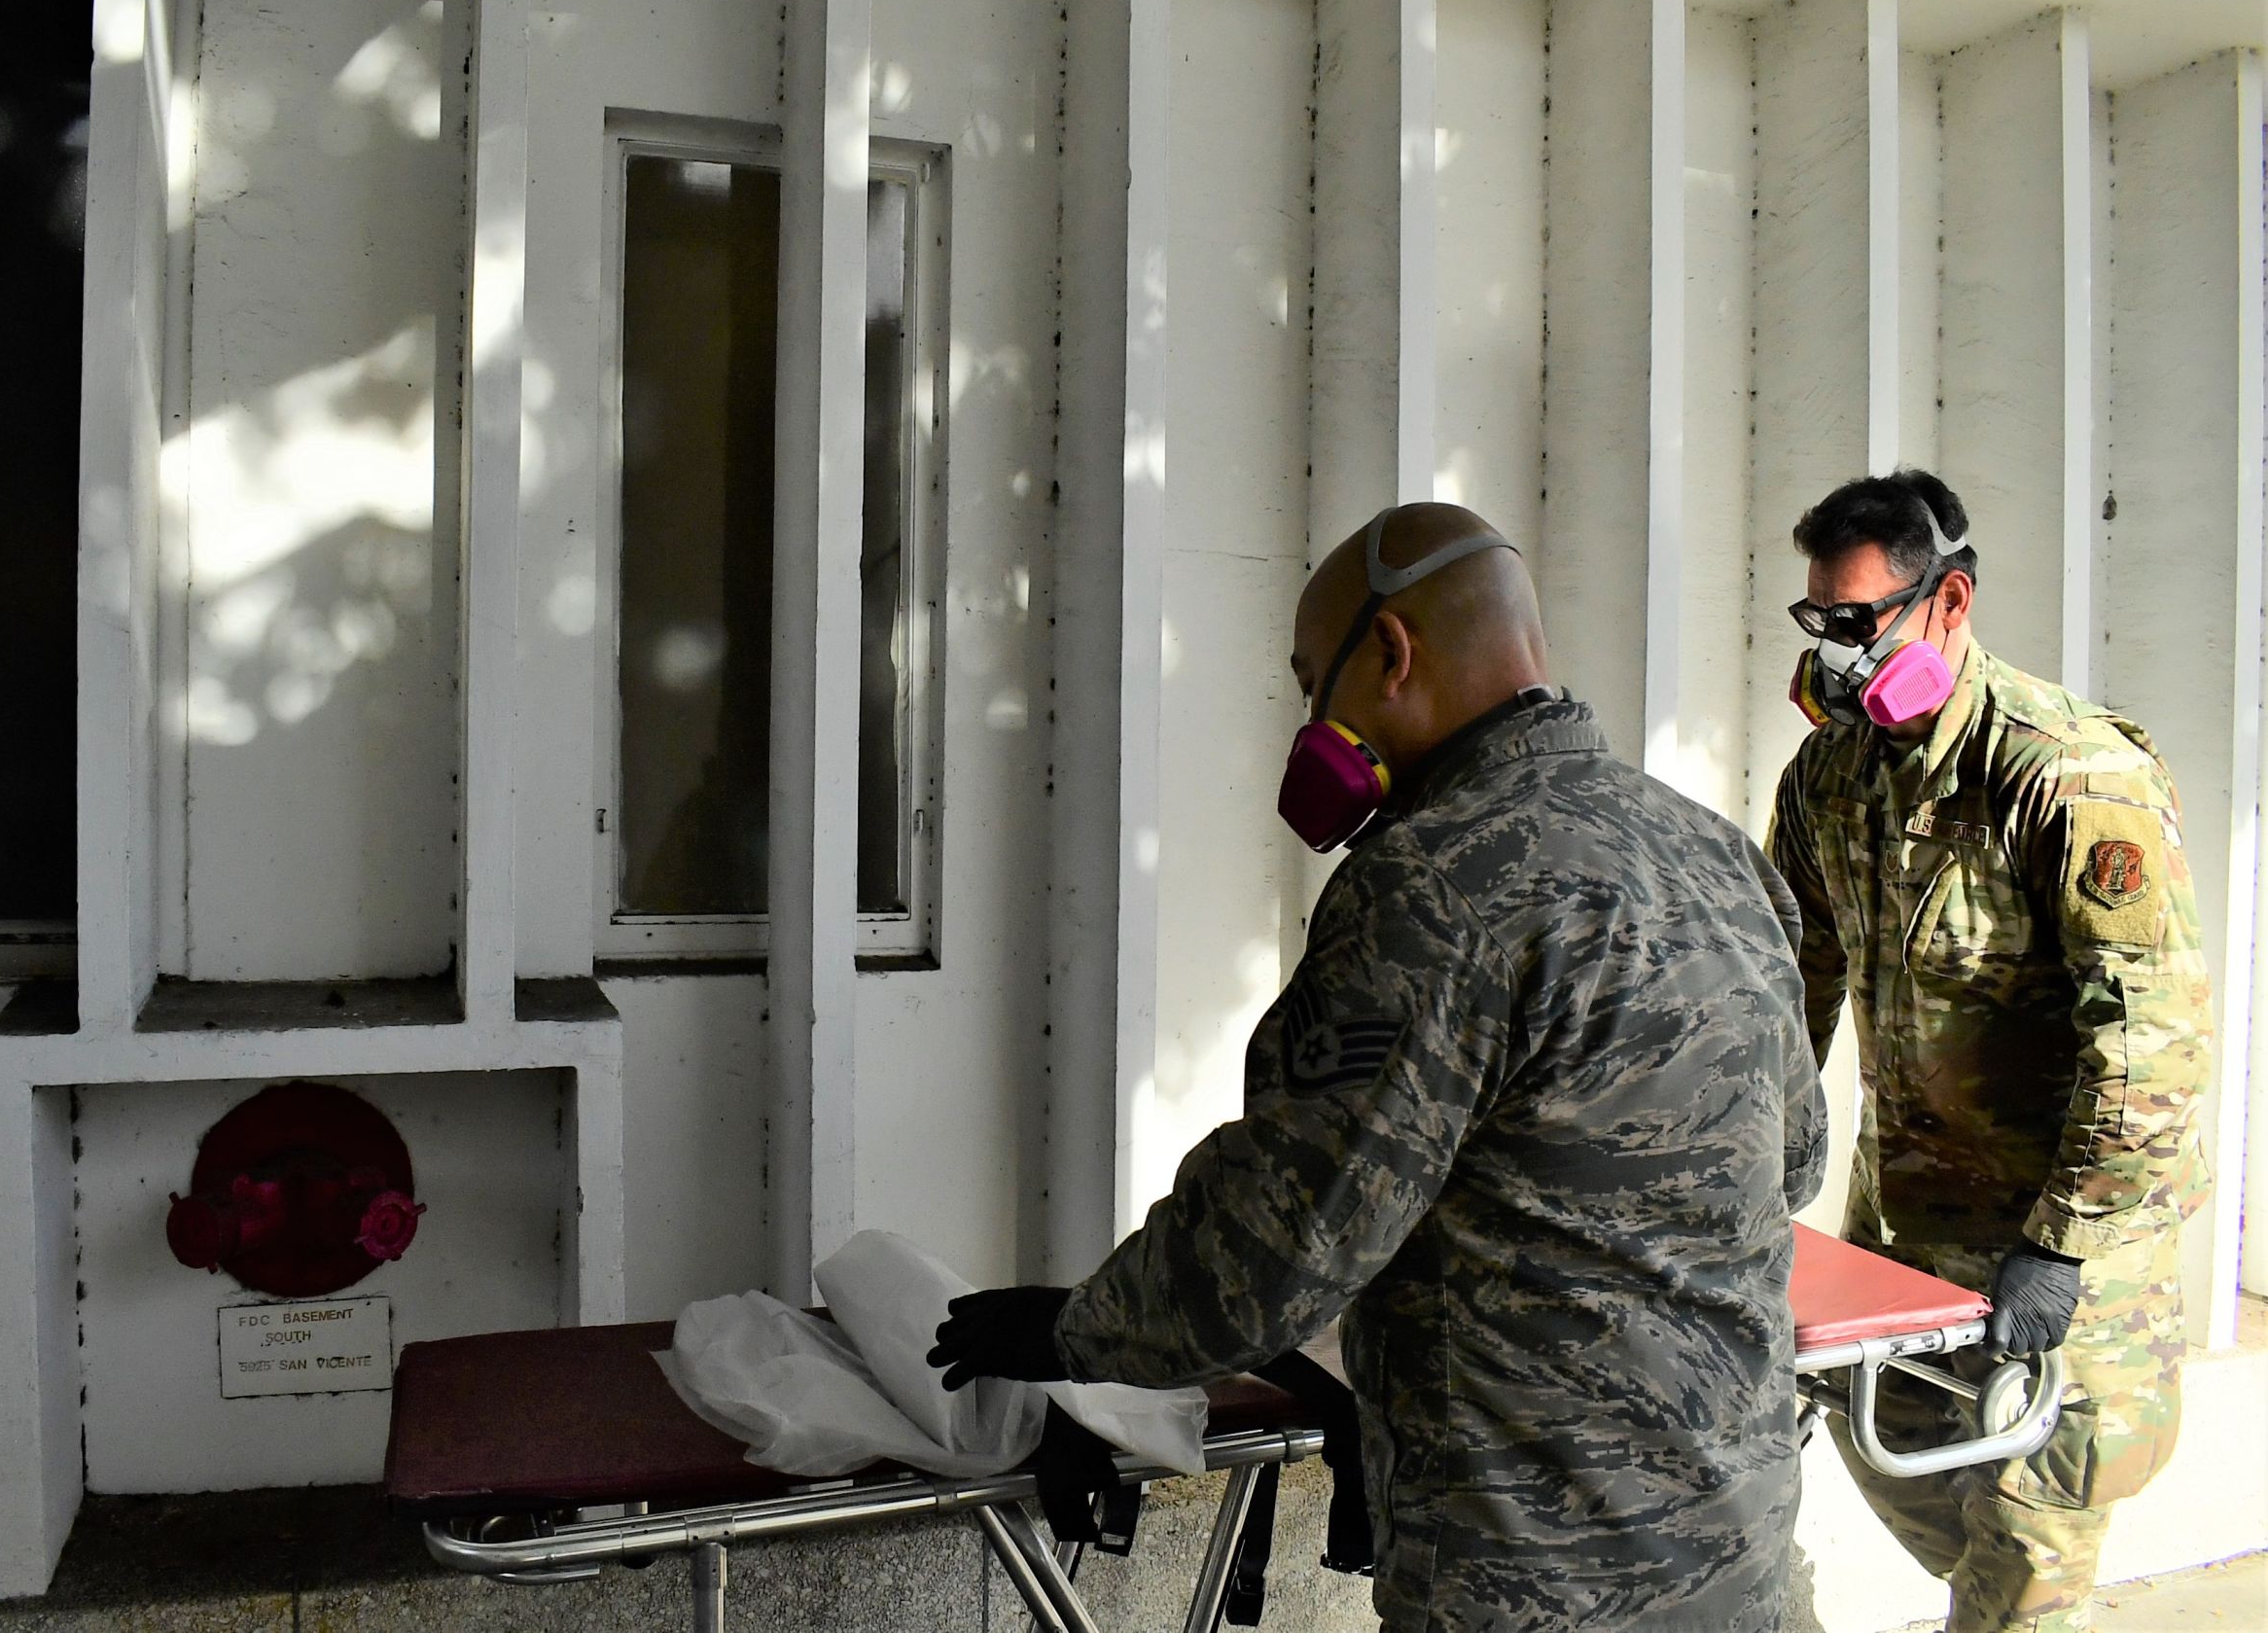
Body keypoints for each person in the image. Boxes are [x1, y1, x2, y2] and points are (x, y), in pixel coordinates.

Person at [930, 503, 1825, 1631]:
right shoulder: (1711, 851)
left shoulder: (1428, 887)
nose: (1313, 720)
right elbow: (1790, 1162)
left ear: (1390, 653)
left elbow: (1277, 1251)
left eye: (1316, 681)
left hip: (1536, 1576)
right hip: (1736, 1546)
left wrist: (1078, 1329)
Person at [1766, 469, 2211, 1633]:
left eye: (1861, 624)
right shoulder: (1827, 775)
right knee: (1899, 1465)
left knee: (2023, 1550)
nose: (1837, 655)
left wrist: (2064, 1246)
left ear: (1948, 604)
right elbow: (1787, 990)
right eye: (1819, 623)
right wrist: (1754, 1174)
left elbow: (2149, 1039)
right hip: (1910, 1228)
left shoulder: (2066, 771)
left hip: (2063, 1243)